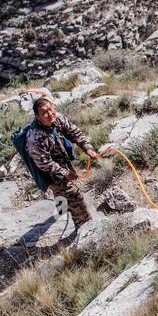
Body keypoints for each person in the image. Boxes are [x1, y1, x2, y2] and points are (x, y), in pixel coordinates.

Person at [26, 96, 97, 233]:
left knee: (65, 194)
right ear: (37, 117)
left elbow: (74, 132)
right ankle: (85, 229)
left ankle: (62, 205)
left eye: (50, 109)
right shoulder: (34, 138)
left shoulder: (57, 119)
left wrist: (87, 148)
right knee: (75, 196)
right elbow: (44, 164)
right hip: (50, 173)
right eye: (44, 113)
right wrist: (65, 173)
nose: (50, 114)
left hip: (62, 162)